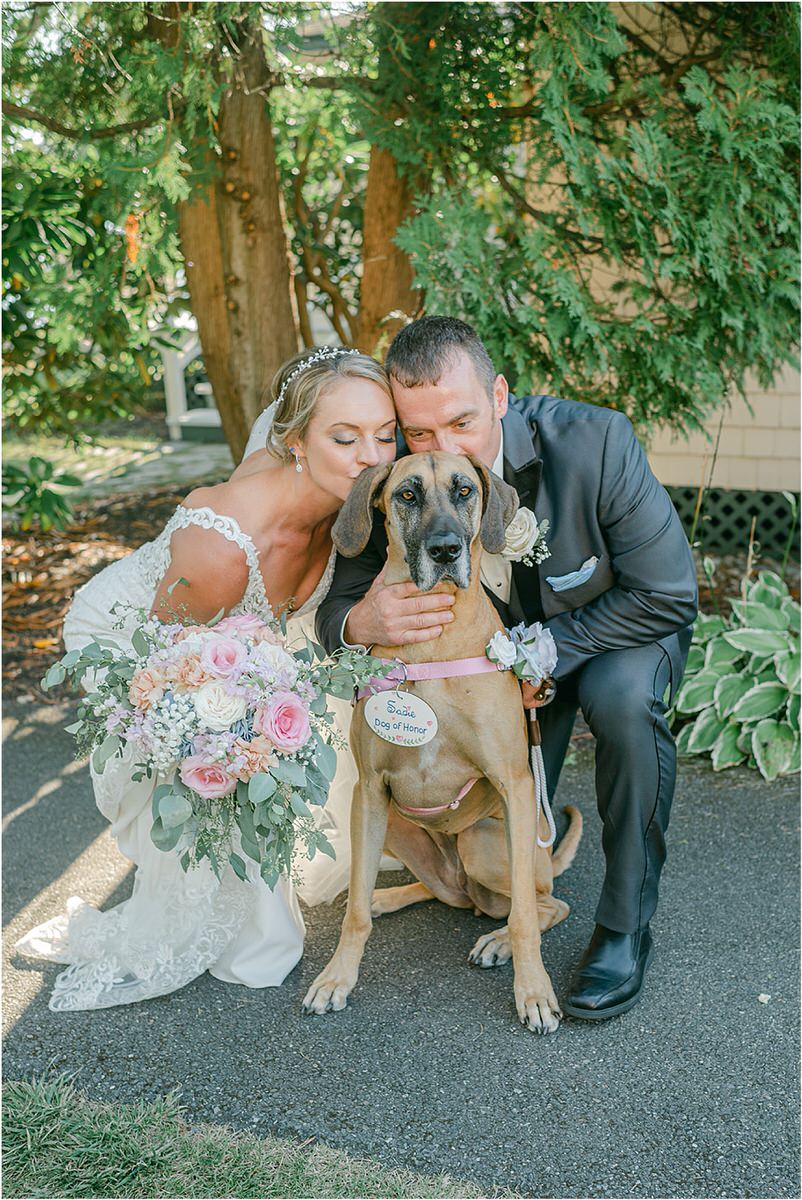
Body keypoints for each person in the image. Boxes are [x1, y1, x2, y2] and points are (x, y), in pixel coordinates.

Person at [316, 316, 698, 1021]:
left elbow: (667, 593)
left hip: (614, 634)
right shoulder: (408, 478)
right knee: (509, 805)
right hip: (485, 669)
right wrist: (359, 623)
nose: (442, 447)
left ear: (497, 394)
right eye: (420, 432)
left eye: (460, 421)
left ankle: (622, 930)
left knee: (621, 703)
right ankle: (469, 882)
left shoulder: (596, 443)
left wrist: (546, 652)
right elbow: (340, 597)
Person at [17, 347, 398, 1011]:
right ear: (294, 442)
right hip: (139, 637)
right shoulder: (222, 545)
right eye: (345, 437)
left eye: (385, 434)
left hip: (240, 642)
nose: (373, 456)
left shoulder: (354, 510)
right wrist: (229, 733)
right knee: (216, 752)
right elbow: (163, 666)